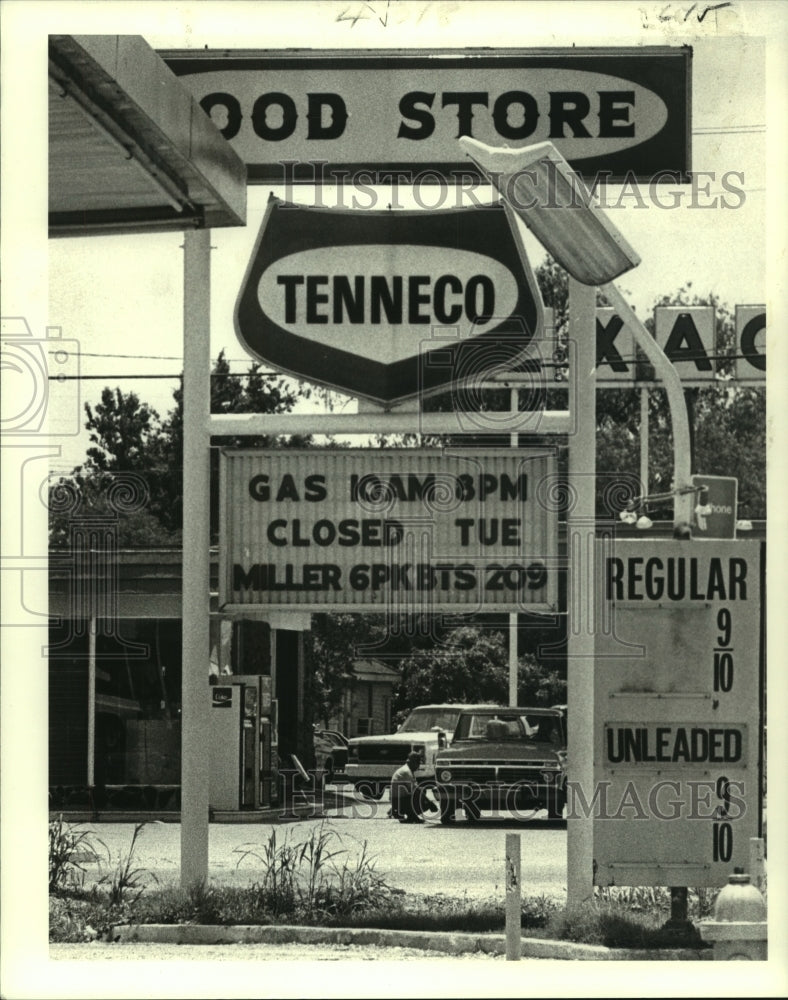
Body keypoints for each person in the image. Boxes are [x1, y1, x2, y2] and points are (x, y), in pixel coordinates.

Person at [389, 752, 437, 823]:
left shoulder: (406, 769)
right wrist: (430, 803)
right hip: (398, 801)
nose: (418, 766)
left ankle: (405, 814)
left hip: (397, 800)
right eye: (418, 764)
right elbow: (415, 790)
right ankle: (410, 815)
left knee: (422, 792)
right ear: (413, 763)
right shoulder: (406, 772)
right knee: (421, 796)